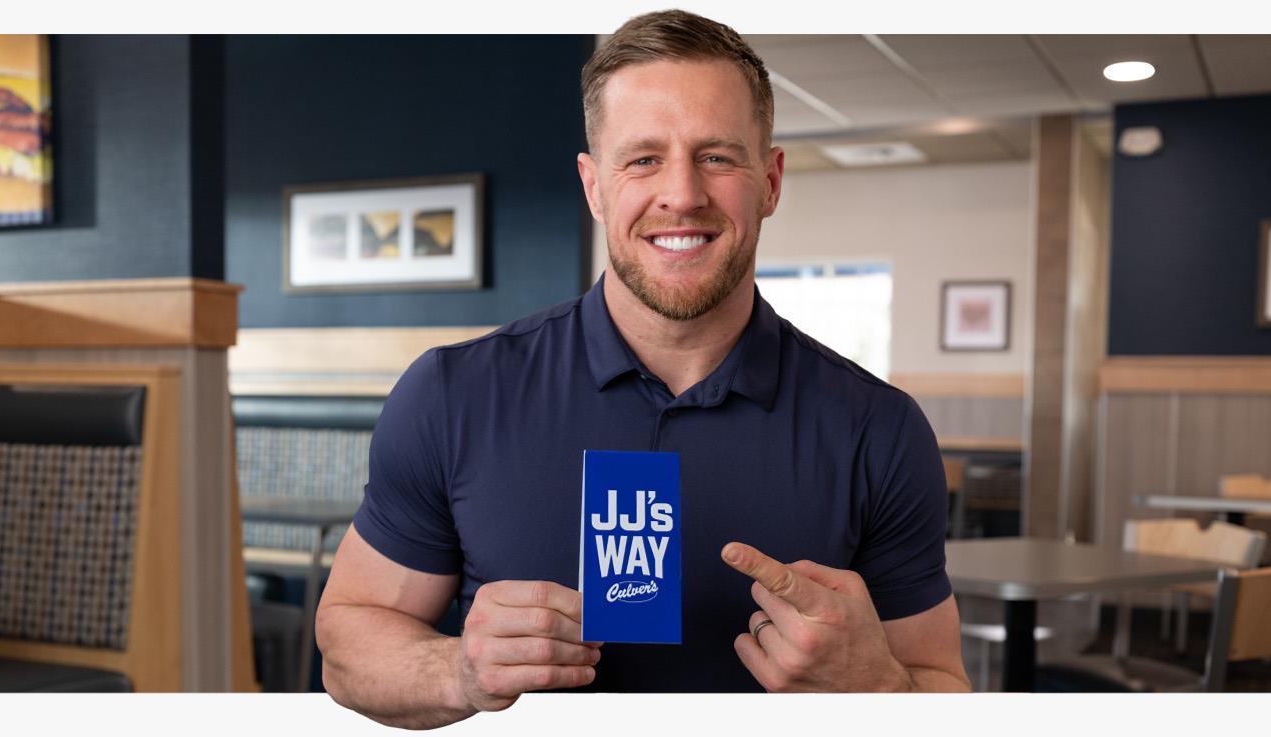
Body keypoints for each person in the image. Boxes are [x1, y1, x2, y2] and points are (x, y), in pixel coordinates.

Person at [316, 10, 969, 729]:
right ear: (594, 186)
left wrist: (877, 689)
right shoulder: (452, 395)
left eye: (718, 156)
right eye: (643, 158)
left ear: (772, 180)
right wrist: (457, 669)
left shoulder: (879, 427)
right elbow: (347, 647)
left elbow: (941, 684)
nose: (683, 194)